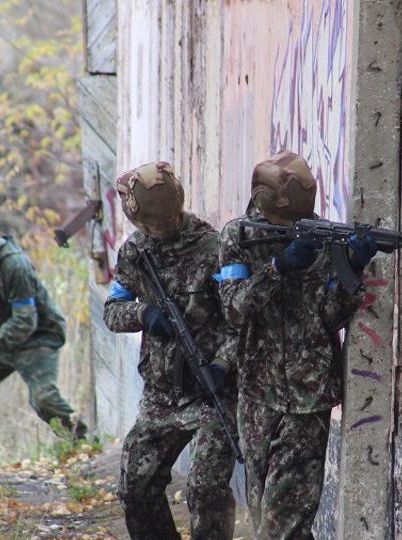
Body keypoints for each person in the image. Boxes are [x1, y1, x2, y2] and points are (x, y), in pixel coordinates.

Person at [217, 151, 378, 538]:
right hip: (257, 392)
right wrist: (278, 269)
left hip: (310, 394)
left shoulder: (321, 236)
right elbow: (234, 310)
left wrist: (352, 268)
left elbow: (330, 317)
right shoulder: (239, 237)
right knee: (262, 512)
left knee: (285, 520)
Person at [102, 161, 238, 540]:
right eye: (152, 225)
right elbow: (112, 311)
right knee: (136, 486)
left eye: (166, 222)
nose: (160, 230)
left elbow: (241, 321)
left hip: (212, 393)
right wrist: (143, 314)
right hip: (161, 394)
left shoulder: (214, 249)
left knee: (206, 490)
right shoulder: (135, 252)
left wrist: (223, 363)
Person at [0, 205, 86, 464]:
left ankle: (80, 442)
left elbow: (26, 319)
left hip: (39, 335)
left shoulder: (13, 264)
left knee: (43, 398)